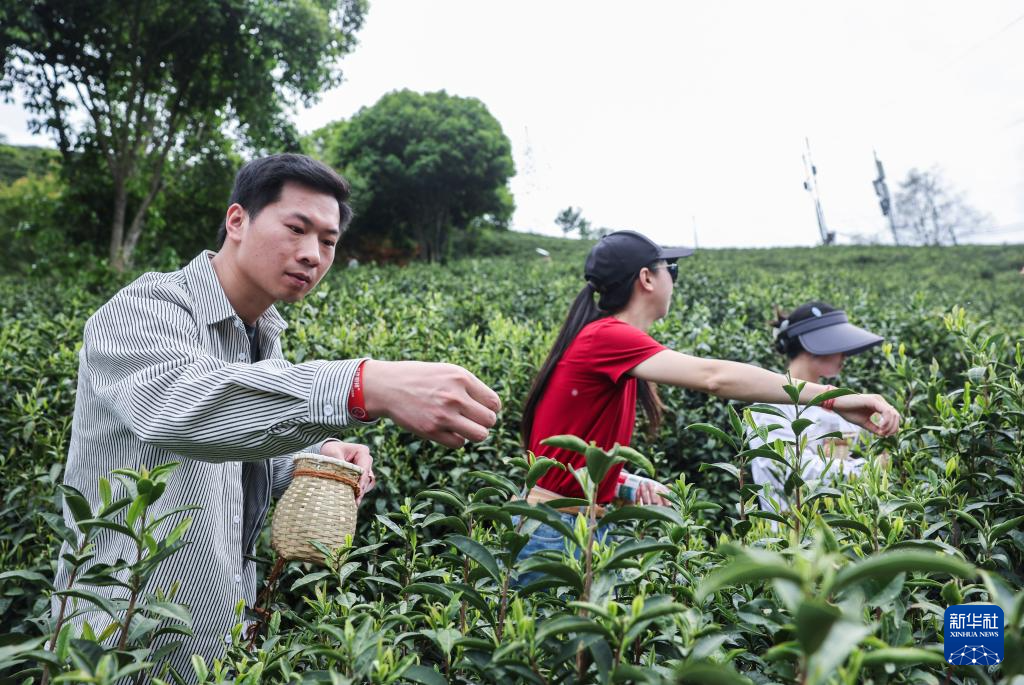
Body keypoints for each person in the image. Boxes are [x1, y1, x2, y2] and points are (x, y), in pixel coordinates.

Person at [54, 154, 501, 677]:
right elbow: (178, 408)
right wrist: (361, 384)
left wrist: (318, 455)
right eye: (296, 228)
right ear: (237, 220)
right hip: (117, 642)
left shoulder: (262, 335)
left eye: (329, 241)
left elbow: (238, 449)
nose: (312, 254)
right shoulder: (143, 310)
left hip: (214, 638)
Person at [517, 231, 900, 573]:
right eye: (671, 270)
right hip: (556, 531)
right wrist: (835, 400)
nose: (674, 280)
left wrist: (624, 482)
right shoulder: (606, 337)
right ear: (646, 278)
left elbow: (570, 456)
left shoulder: (612, 348)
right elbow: (714, 377)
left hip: (580, 526)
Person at [747, 301, 886, 512]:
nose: (844, 356)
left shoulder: (838, 401)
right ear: (815, 345)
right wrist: (869, 470)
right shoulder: (769, 406)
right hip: (793, 528)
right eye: (839, 345)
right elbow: (791, 471)